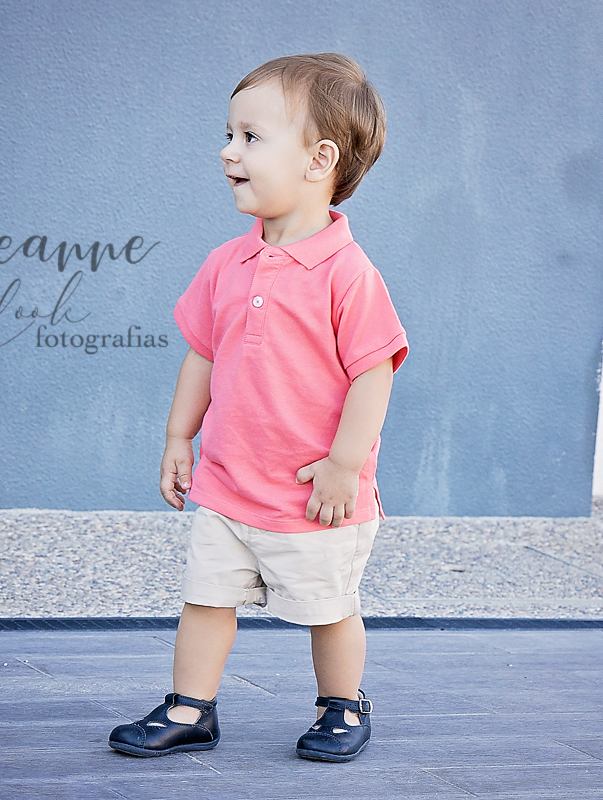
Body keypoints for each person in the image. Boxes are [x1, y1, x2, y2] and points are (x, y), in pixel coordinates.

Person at [108, 53, 408, 763]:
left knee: (327, 607)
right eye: (229, 135)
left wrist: (345, 464)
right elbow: (204, 355)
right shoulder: (226, 263)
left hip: (314, 493)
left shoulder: (348, 273)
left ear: (319, 159)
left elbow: (374, 373)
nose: (227, 152)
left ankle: (342, 704)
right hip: (229, 481)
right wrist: (180, 437)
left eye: (249, 137)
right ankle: (190, 707)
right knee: (205, 599)